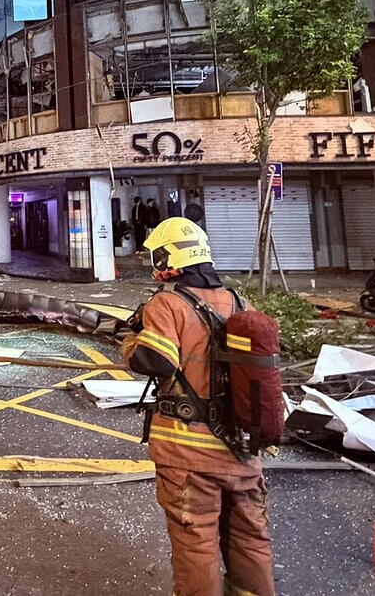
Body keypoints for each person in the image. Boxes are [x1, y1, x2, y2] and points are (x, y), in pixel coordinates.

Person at [122, 218, 276, 596]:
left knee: (196, 544)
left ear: (170, 256)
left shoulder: (169, 304)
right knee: (250, 539)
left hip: (188, 451)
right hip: (242, 450)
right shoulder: (239, 303)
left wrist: (130, 339)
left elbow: (154, 361)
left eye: (156, 255)